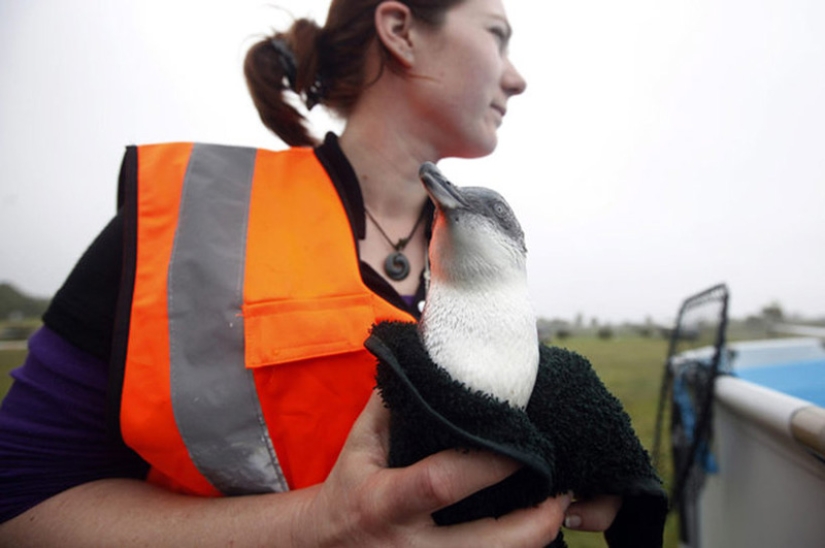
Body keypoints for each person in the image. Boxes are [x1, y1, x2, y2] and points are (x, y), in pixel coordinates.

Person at [0, 0, 621, 545]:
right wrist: (311, 530)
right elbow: (19, 498)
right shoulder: (191, 214)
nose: (518, 78)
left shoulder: (489, 254)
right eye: (496, 34)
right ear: (400, 29)